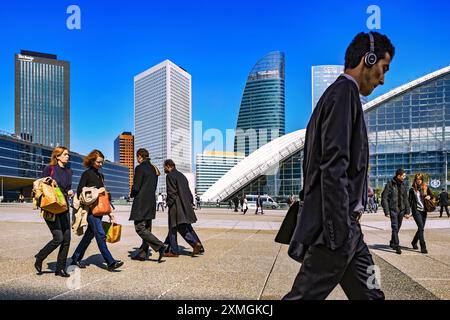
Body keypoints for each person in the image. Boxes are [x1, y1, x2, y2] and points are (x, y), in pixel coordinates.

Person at [284, 32, 394, 300]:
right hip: (337, 230)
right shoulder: (344, 93)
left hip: (346, 230)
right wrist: (338, 230)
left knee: (372, 294)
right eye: (383, 68)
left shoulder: (335, 96)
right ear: (368, 59)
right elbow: (333, 167)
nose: (383, 79)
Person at [70, 150, 124, 272]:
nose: (100, 164)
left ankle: (75, 258)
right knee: (100, 234)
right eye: (99, 162)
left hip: (99, 210)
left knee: (88, 236)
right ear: (92, 160)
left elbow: (104, 196)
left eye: (102, 162)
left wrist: (110, 212)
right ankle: (110, 262)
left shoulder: (100, 176)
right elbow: (80, 192)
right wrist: (95, 192)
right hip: (90, 211)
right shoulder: (86, 174)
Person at [34, 147, 73, 277]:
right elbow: (39, 185)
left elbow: (67, 188)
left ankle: (60, 269)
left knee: (67, 239)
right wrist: (50, 182)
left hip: (64, 207)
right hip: (51, 207)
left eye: (68, 154)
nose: (68, 156)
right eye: (65, 154)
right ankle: (40, 256)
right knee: (58, 238)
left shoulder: (69, 172)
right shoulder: (49, 169)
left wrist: (69, 192)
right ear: (57, 156)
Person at [129, 148, 166, 262]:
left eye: (137, 158)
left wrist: (132, 194)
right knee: (147, 229)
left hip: (141, 202)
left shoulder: (140, 168)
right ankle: (142, 254)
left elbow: (136, 186)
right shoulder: (153, 168)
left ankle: (160, 246)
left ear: (140, 156)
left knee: (139, 228)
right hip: (150, 202)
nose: (137, 160)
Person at [163, 159, 205, 257]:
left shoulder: (170, 176)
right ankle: (200, 247)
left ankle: (176, 251)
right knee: (187, 227)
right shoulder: (182, 176)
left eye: (164, 167)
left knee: (174, 227)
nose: (164, 169)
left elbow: (172, 193)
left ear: (168, 166)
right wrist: (190, 203)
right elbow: (189, 192)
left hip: (176, 207)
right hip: (185, 205)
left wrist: (169, 203)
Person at [381, 169, 410, 254]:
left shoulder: (403, 185)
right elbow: (384, 198)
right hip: (393, 210)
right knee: (395, 227)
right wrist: (386, 211)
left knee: (398, 228)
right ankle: (397, 246)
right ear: (399, 176)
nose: (404, 177)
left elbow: (406, 199)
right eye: (403, 176)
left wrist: (407, 211)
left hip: (401, 210)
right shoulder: (390, 184)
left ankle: (392, 242)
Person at [408, 173, 433, 254]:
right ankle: (423, 247)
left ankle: (414, 242)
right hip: (416, 211)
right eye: (417, 179)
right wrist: (408, 212)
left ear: (422, 180)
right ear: (415, 180)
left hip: (424, 211)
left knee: (420, 229)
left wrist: (429, 196)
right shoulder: (412, 189)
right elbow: (409, 201)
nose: (418, 181)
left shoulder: (425, 187)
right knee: (421, 228)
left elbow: (432, 196)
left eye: (420, 179)